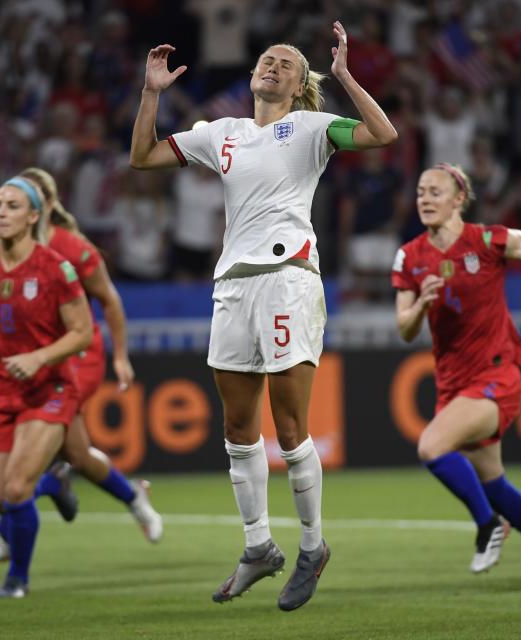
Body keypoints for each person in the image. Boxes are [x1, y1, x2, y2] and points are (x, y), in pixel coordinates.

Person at [129, 21, 398, 611]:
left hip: (288, 280)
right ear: (252, 75)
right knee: (236, 429)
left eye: (286, 64)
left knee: (292, 427)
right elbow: (143, 157)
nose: (272, 66)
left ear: (302, 86)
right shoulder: (218, 133)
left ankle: (312, 546)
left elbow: (383, 134)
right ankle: (257, 546)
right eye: (266, 60)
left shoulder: (310, 128)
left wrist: (346, 76)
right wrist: (152, 93)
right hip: (232, 286)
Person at [0, 168, 162, 568]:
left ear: (45, 207)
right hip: (20, 363)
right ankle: (128, 496)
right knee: (75, 452)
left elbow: (109, 300)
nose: (6, 210)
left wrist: (121, 356)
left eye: (19, 202)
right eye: (2, 203)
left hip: (73, 359)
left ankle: (5, 537)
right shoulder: (3, 247)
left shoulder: (72, 250)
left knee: (27, 466)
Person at [392, 163, 521, 590]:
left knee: (431, 446)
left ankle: (488, 526)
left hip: (497, 377)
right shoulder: (411, 256)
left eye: (435, 191)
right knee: (494, 481)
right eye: (420, 192)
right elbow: (405, 328)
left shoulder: (485, 241)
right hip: (453, 384)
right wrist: (421, 306)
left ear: (458, 199)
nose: (425, 199)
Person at [0, 175, 93, 598]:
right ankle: (52, 483)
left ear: (33, 216)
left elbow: (83, 333)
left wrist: (38, 357)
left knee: (17, 488)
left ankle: (17, 578)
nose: (1, 211)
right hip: (1, 393)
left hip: (50, 389)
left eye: (13, 205)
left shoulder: (55, 268)